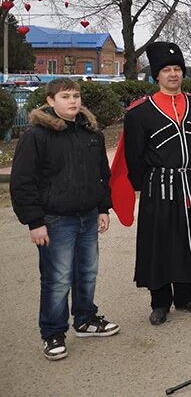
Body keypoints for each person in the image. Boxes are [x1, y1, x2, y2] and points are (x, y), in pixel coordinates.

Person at [11, 78, 120, 360]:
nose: (72, 101)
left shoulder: (91, 133)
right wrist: (34, 221)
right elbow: (23, 182)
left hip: (87, 216)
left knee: (87, 273)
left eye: (76, 96)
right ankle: (53, 333)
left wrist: (103, 208)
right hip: (56, 219)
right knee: (57, 279)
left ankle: (85, 319)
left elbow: (101, 175)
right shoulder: (36, 136)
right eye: (65, 96)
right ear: (50, 101)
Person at [116, 42, 191, 326]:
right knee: (158, 243)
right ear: (156, 75)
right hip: (158, 185)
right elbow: (134, 156)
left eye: (177, 69)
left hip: (190, 184)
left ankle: (185, 295)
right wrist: (150, 182)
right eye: (167, 70)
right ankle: (160, 301)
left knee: (188, 239)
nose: (173, 74)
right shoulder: (139, 113)